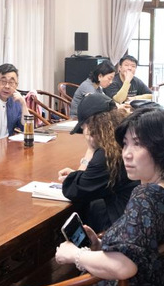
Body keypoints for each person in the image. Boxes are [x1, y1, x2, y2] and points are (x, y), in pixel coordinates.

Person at [0, 107, 164, 286]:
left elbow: (124, 266)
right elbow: (141, 246)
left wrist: (74, 255)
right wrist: (99, 245)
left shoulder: (147, 196)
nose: (126, 153)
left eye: (138, 144)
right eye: (125, 143)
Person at [58, 93, 137, 233]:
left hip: (120, 226)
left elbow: (76, 191)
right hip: (132, 212)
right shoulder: (124, 141)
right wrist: (81, 175)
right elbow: (91, 181)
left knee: (89, 208)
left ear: (91, 126)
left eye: (83, 128)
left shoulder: (106, 155)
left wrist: (90, 151)